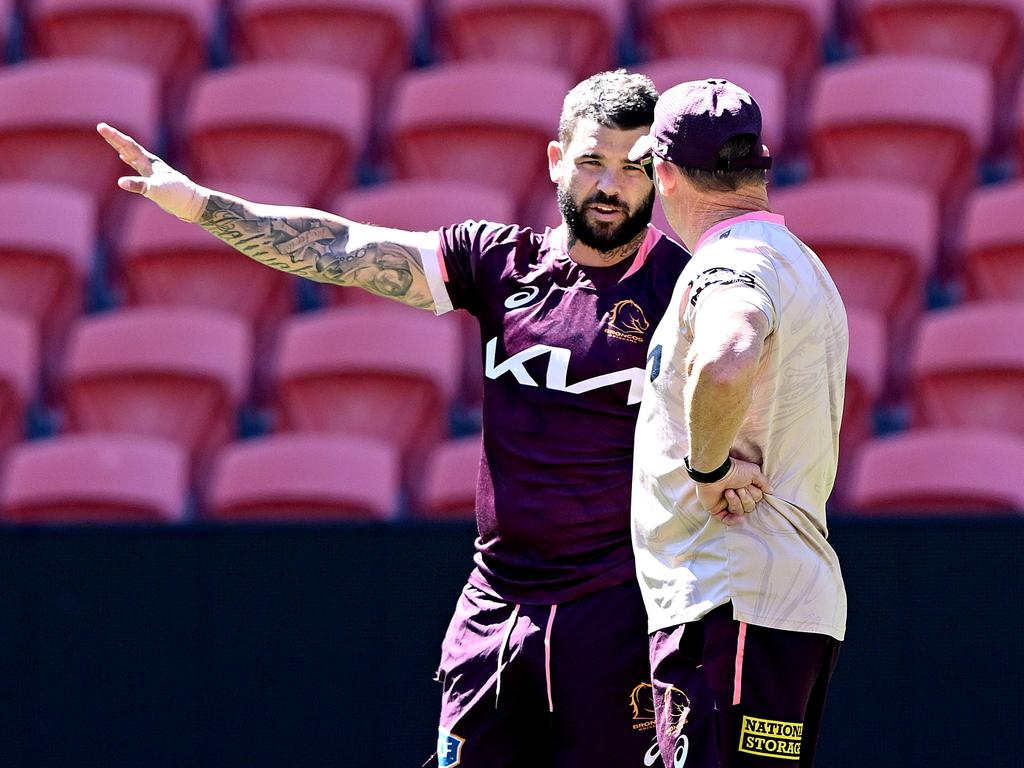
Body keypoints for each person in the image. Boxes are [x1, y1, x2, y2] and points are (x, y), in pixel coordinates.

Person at [98, 70, 710, 767]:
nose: (609, 188)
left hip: (618, 615)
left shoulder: (688, 292)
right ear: (555, 161)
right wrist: (203, 205)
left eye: (632, 170)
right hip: (495, 611)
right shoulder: (498, 263)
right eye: (592, 162)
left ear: (658, 175)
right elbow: (345, 250)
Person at [627, 79, 848, 768]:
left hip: (733, 599)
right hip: (768, 604)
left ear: (664, 173)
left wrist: (709, 466)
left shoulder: (730, 262)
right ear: (760, 163)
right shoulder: (798, 262)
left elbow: (725, 358)